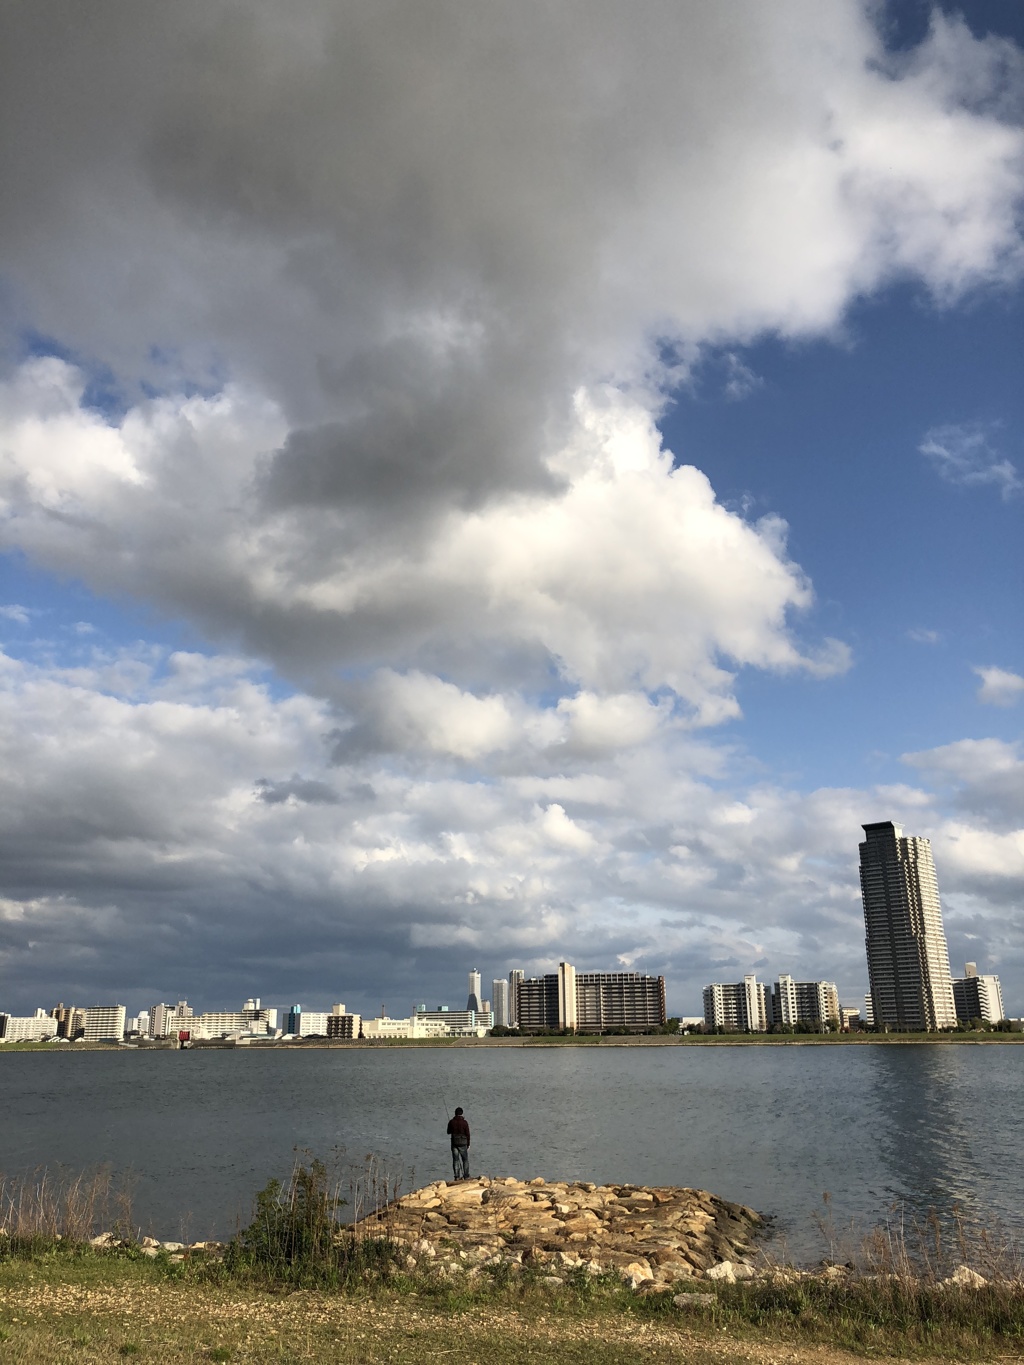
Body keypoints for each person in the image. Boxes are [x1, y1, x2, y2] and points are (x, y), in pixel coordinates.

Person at [446, 1105, 470, 1180]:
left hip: (454, 1143)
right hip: (463, 1143)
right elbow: (468, 1134)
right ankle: (466, 1175)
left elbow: (448, 1132)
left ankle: (457, 1176)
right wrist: (468, 1144)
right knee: (465, 1160)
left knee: (456, 1160)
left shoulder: (451, 1122)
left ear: (455, 1113)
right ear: (462, 1114)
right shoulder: (465, 1122)